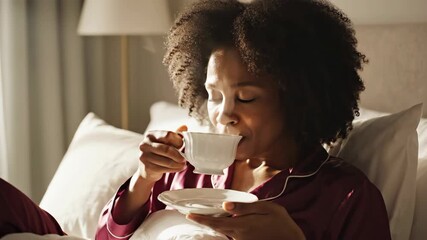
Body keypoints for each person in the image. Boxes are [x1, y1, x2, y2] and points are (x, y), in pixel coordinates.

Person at [0, 0, 391, 239]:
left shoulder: (346, 196)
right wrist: (142, 181)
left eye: (246, 97)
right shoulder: (184, 173)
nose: (223, 113)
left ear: (299, 97)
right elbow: (107, 238)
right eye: (214, 95)